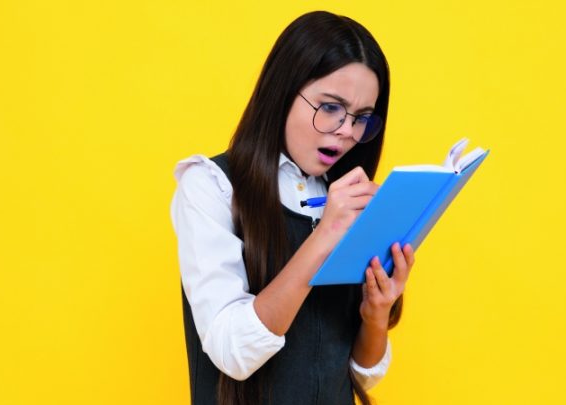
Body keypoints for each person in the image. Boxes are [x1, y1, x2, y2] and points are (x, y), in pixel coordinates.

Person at [171, 10, 415, 405]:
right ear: (283, 91)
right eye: (331, 107)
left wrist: (375, 314)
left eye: (362, 118)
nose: (347, 131)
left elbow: (355, 375)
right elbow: (232, 351)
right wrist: (323, 238)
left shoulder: (340, 195)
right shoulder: (211, 185)